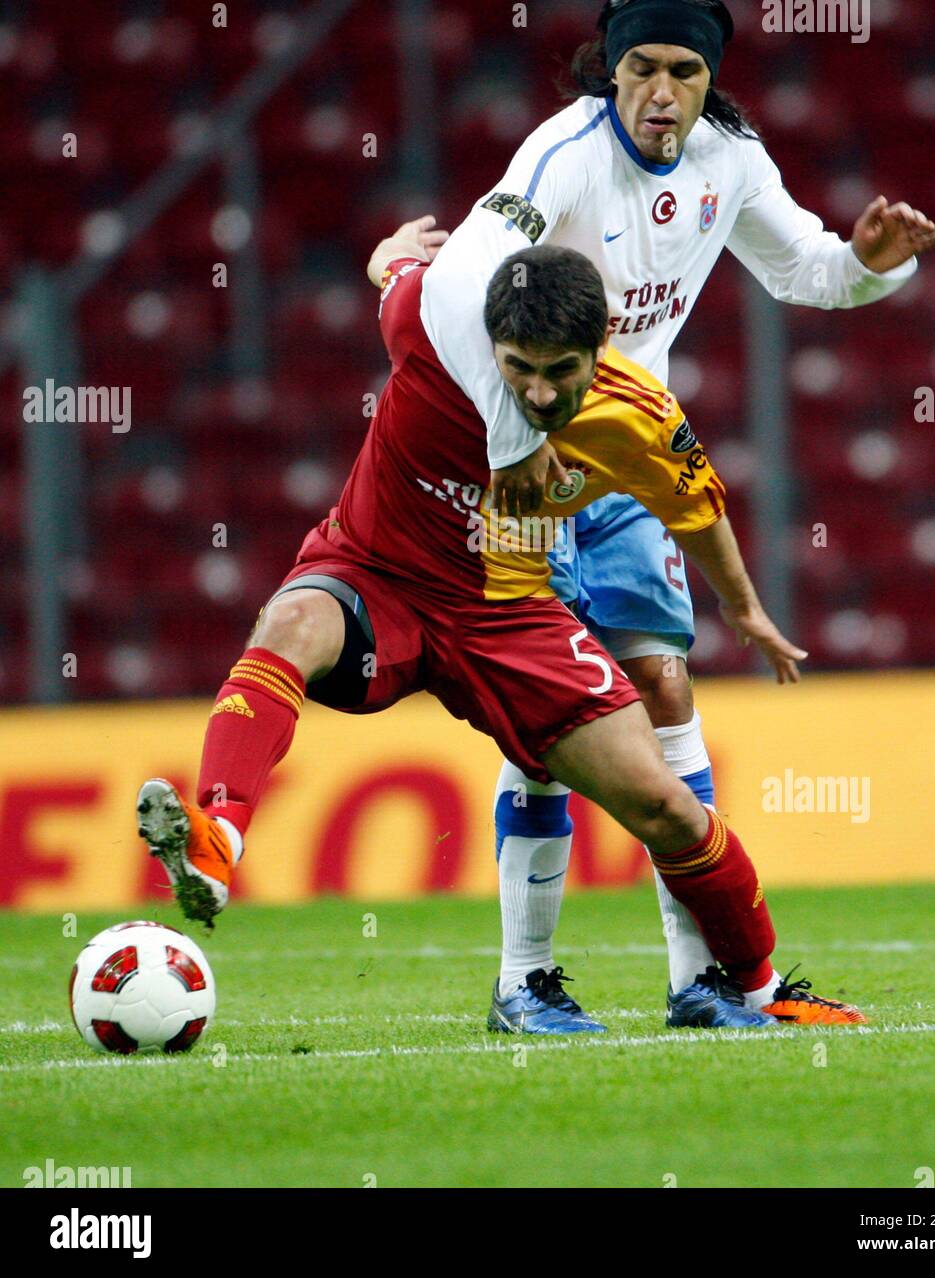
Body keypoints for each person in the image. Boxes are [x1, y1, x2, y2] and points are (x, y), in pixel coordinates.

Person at [136, 229, 864, 1033]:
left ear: (603, 344)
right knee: (289, 621)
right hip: (378, 574)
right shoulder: (428, 323)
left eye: (563, 372)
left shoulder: (642, 417)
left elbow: (701, 509)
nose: (541, 395)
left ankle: (757, 991)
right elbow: (394, 270)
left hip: (507, 616)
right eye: (520, 368)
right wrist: (389, 250)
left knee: (665, 808)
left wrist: (745, 608)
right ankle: (218, 837)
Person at [417, 0, 935, 1027]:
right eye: (642, 69)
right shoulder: (561, 156)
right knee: (547, 728)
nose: (661, 91)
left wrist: (872, 266)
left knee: (663, 685)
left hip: (625, 466)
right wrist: (513, 438)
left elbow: (811, 273)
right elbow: (465, 276)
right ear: (612, 72)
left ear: (711, 80)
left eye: (685, 71)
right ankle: (524, 983)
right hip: (522, 467)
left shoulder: (731, 162)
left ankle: (700, 982)